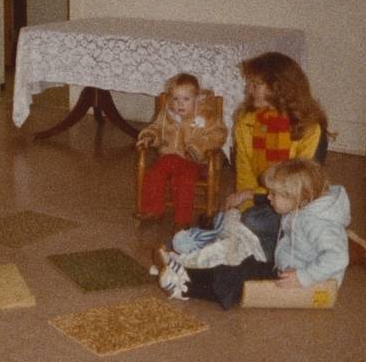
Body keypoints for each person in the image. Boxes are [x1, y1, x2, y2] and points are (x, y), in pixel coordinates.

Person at [157, 159, 350, 308]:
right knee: (245, 267)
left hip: (311, 283)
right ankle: (186, 272)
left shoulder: (315, 222)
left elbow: (338, 257)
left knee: (238, 285)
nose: (268, 197)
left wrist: (303, 276)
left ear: (296, 197)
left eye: (274, 194)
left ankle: (186, 288)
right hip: (289, 269)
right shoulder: (300, 208)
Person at [224, 52, 330, 260]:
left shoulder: (308, 128)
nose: (249, 90)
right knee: (246, 221)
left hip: (299, 205)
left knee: (254, 223)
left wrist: (251, 197)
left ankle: (312, 246)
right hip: (268, 201)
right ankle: (285, 255)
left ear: (278, 88)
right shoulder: (247, 122)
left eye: (256, 84)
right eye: (250, 84)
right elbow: (245, 174)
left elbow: (302, 186)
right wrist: (244, 210)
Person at [136, 73, 227, 230]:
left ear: (196, 99)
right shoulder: (167, 115)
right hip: (170, 156)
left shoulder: (205, 115)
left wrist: (198, 148)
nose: (180, 104)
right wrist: (149, 137)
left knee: (183, 181)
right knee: (154, 174)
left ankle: (182, 220)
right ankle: (154, 210)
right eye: (175, 99)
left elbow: (218, 134)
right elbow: (156, 128)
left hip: (194, 160)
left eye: (186, 99)